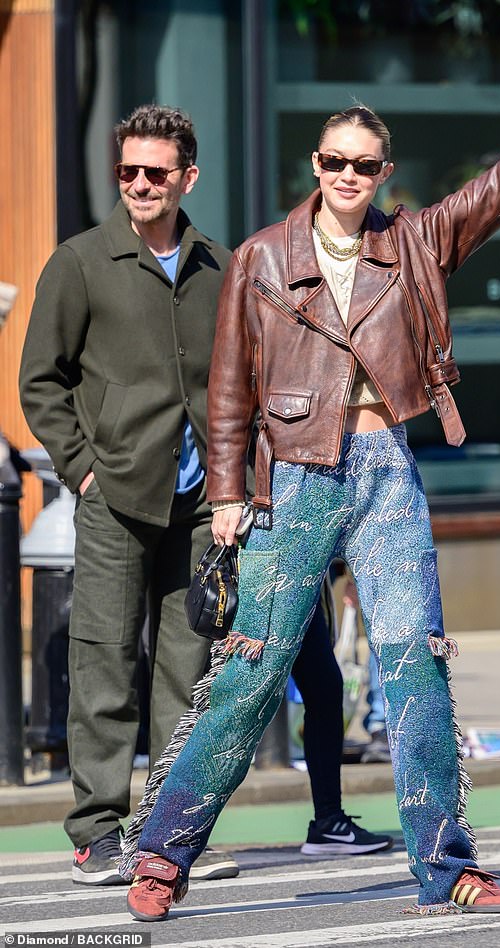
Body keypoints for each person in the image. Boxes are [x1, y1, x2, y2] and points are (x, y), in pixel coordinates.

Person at [121, 36, 500, 921]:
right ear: (316, 164)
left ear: (384, 172)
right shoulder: (264, 258)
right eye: (335, 160)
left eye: (365, 164)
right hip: (293, 480)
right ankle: (162, 854)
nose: (348, 174)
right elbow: (228, 386)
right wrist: (227, 494)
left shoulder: (413, 242)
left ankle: (447, 865)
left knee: (414, 663)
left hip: (387, 470)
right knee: (253, 671)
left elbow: (489, 195)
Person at [19, 104, 387, 887]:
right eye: (128, 172)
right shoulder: (79, 263)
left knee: (189, 673)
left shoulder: (224, 264)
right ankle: (95, 833)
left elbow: (249, 382)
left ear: (188, 176)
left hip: (205, 509)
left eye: (157, 172)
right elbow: (39, 382)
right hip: (114, 497)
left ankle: (167, 831)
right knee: (106, 666)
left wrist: (247, 485)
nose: (141, 185)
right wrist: (80, 465)